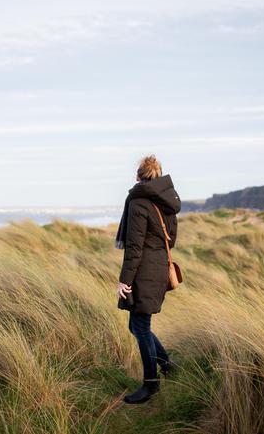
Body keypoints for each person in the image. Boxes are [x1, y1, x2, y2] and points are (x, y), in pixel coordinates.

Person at [114, 154, 181, 404]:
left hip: (144, 271)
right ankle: (167, 365)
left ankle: (151, 385)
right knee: (137, 326)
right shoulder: (168, 200)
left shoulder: (138, 202)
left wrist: (124, 280)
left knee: (141, 327)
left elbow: (134, 247)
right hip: (159, 267)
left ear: (138, 177)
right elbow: (171, 239)